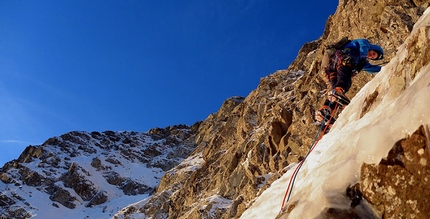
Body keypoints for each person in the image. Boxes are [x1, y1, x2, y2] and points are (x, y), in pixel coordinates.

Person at [315, 38, 384, 125]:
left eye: (373, 57)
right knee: (344, 83)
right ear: (373, 48)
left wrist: (385, 67)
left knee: (335, 91)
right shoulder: (365, 44)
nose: (371, 55)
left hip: (332, 69)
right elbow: (363, 45)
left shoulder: (362, 62)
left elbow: (372, 69)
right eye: (373, 53)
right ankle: (337, 93)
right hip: (343, 60)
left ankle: (325, 110)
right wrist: (363, 55)